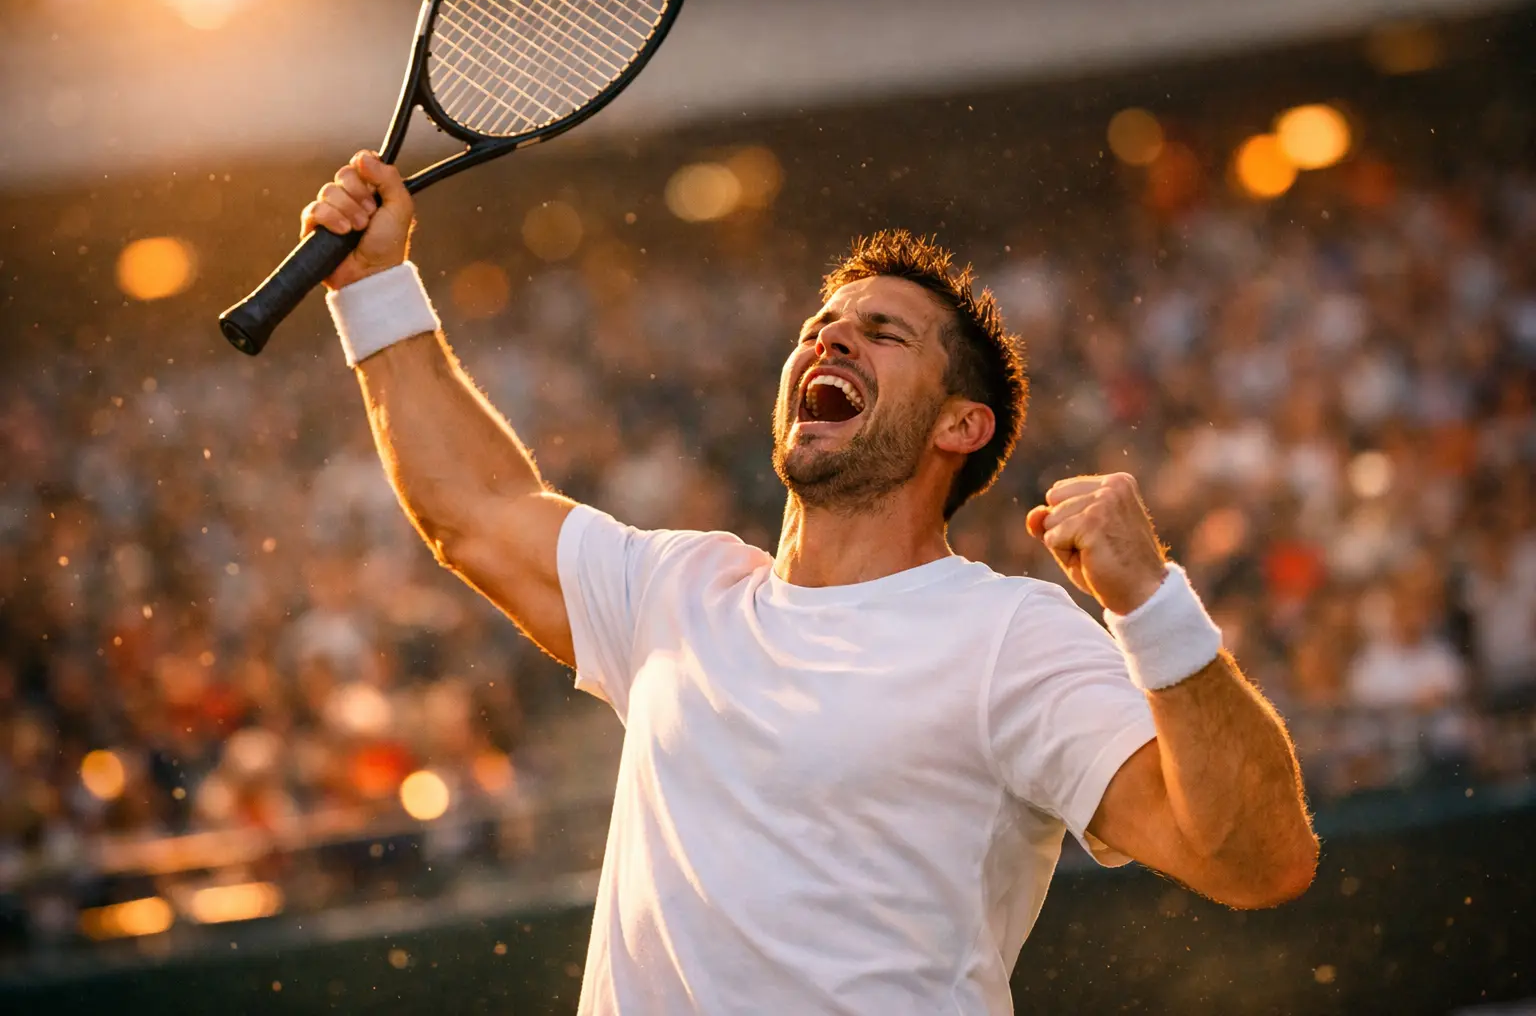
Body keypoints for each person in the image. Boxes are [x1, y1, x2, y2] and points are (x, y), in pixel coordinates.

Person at [302, 150, 1318, 1014]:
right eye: (822, 326)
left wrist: (1152, 605)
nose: (830, 337)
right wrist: (374, 284)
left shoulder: (1009, 633)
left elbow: (1256, 859)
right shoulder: (678, 589)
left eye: (884, 333)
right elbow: (471, 509)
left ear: (960, 426)